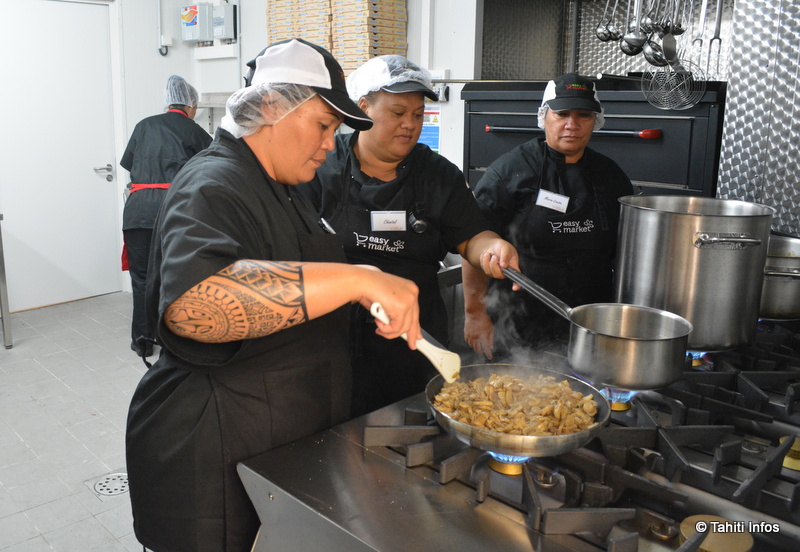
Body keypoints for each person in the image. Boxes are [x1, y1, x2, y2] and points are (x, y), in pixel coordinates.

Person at [125, 39, 425, 552]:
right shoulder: (214, 183)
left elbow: (290, 273)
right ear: (270, 106)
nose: (331, 144)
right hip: (214, 453)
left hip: (273, 445)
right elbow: (196, 307)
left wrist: (351, 292)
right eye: (323, 125)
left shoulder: (283, 184)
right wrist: (359, 280)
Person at [298, 55, 518, 417]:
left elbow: (471, 239)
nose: (410, 125)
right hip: (329, 338)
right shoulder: (320, 167)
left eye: (417, 115)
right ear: (362, 107)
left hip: (413, 339)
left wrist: (491, 247)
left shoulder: (438, 175)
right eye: (398, 113)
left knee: (405, 431)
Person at [462, 73, 634, 361]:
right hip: (516, 320)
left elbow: (625, 254)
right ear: (544, 116)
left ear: (596, 120)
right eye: (562, 113)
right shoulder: (508, 172)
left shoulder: (611, 176)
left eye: (584, 115)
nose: (572, 124)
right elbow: (473, 244)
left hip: (587, 323)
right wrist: (475, 313)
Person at [120, 75, 212, 357]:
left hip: (137, 212)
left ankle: (143, 341)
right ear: (191, 104)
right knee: (177, 275)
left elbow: (128, 163)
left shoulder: (143, 126)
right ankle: (176, 338)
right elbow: (214, 167)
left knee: (142, 277)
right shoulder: (194, 131)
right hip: (175, 210)